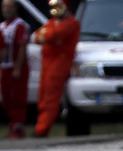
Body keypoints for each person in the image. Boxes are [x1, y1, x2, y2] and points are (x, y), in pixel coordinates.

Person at [32, 0, 79, 137]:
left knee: (50, 98)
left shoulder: (71, 23)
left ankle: (42, 130)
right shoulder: (53, 23)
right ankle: (40, 127)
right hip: (48, 64)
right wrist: (47, 36)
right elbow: (36, 37)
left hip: (59, 64)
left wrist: (46, 35)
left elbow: (52, 35)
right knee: (42, 96)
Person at [0, 0, 30, 139]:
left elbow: (22, 47)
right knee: (6, 99)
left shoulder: (20, 25)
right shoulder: (2, 26)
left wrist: (17, 68)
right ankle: (13, 124)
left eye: (10, 6)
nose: (7, 9)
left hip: (16, 67)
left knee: (17, 97)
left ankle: (18, 127)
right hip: (5, 67)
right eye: (4, 7)